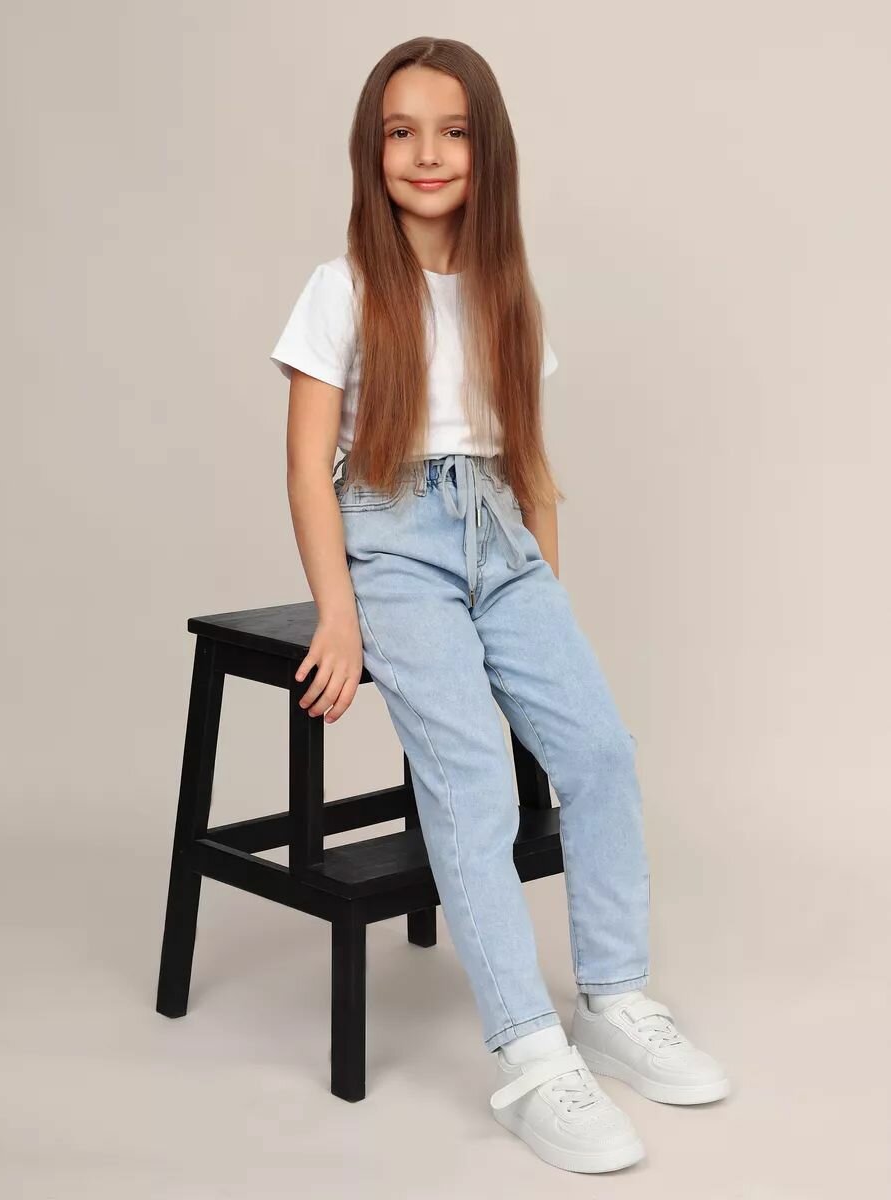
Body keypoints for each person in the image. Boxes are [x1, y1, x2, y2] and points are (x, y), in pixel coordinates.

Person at [269, 36, 730, 1174]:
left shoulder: (505, 293)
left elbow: (526, 462)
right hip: (394, 545)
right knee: (470, 773)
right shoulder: (343, 288)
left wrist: (544, 609)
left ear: (489, 151)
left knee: (602, 751)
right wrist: (339, 613)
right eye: (402, 132)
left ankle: (614, 999)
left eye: (453, 132)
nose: (427, 154)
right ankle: (529, 1057)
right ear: (372, 150)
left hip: (502, 544)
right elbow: (307, 466)